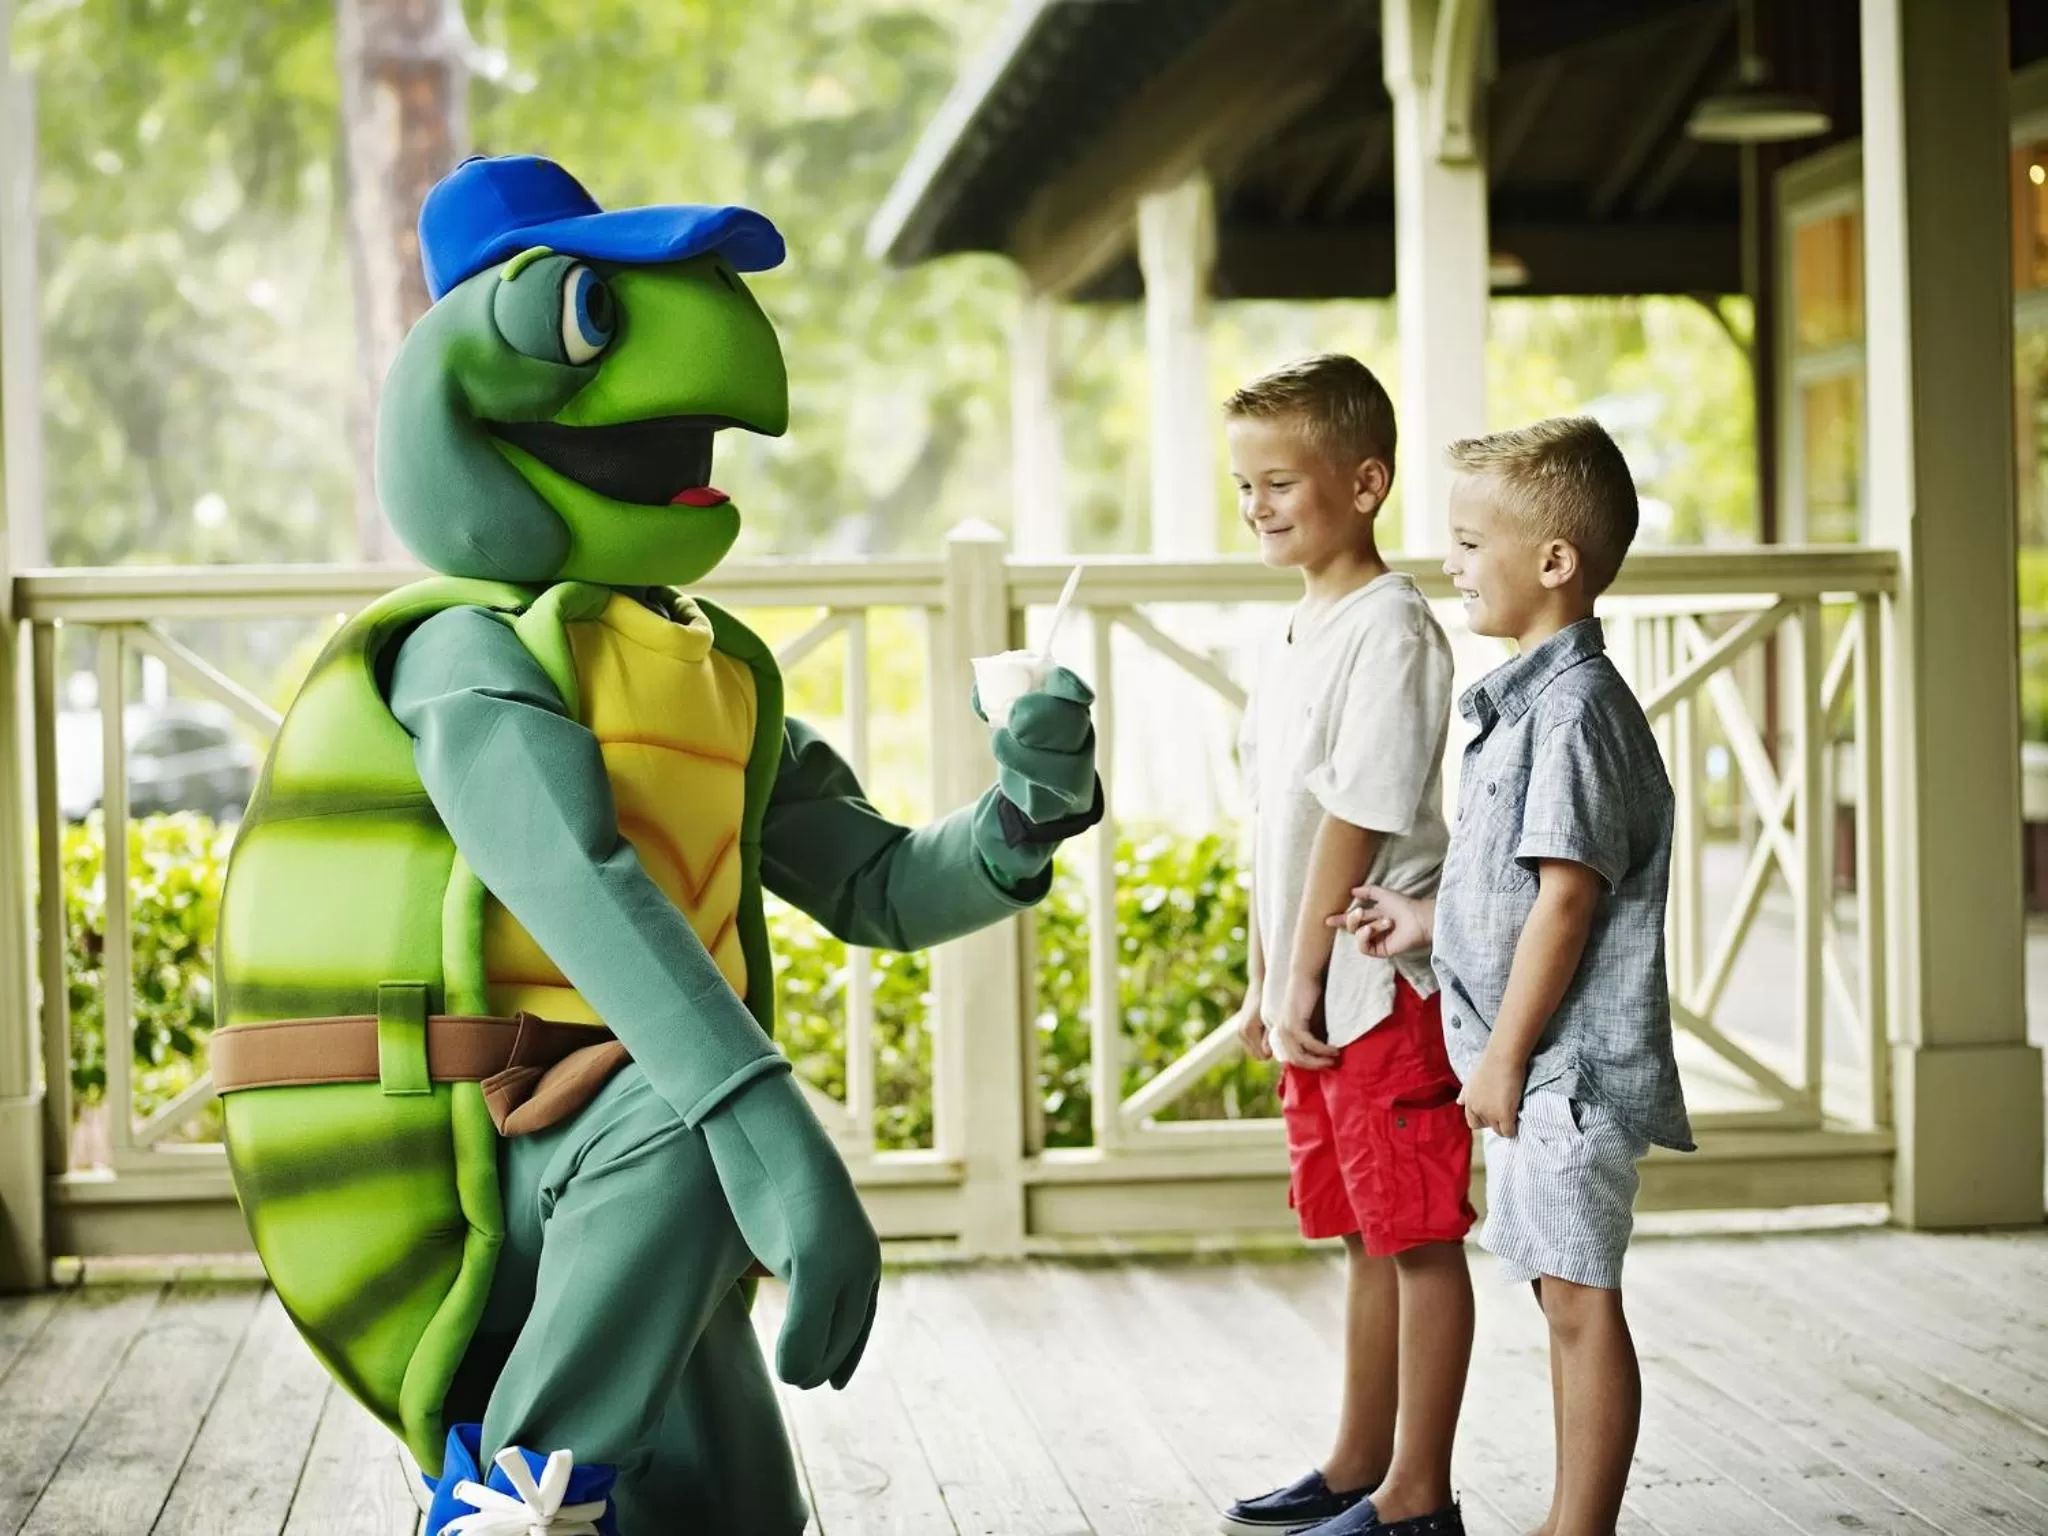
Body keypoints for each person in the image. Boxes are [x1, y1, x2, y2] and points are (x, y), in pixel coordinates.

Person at [1343, 417, 1694, 1536]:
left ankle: (1577, 1528)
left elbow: (1567, 900)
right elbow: (1515, 886)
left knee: (1580, 1303)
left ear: (1552, 561)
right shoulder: (1531, 704)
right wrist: (1423, 919)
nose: (1447, 562)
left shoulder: (1576, 712)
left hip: (1562, 1072)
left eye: (1466, 543)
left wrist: (1499, 1059)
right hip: (1537, 1071)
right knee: (1558, 1290)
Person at [1217, 355, 1474, 1536]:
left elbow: (1355, 813)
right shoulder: (1298, 625)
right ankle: (1356, 1466)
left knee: (1416, 1236)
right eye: (1244, 486)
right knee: (1368, 1232)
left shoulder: (1392, 628)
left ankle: (1417, 1499)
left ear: (1364, 484)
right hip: (1314, 988)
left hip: (1377, 988)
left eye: (1279, 483)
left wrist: (1303, 974)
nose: (1257, 506)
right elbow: (1272, 822)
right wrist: (1263, 980)